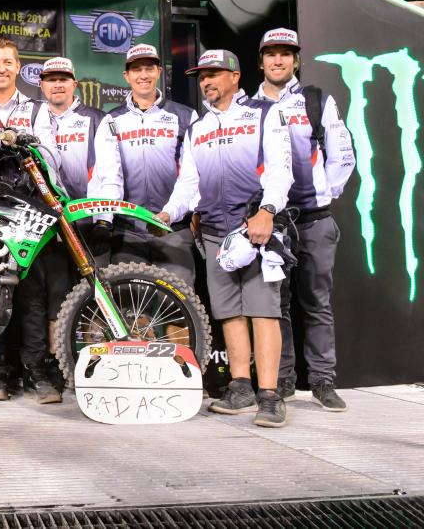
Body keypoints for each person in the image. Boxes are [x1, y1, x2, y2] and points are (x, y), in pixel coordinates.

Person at [158, 49, 294, 428]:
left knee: (263, 310)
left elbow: (281, 171)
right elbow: (188, 183)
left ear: (235, 77)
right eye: (202, 76)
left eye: (214, 74)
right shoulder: (197, 128)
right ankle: (240, 386)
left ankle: (269, 394)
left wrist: (267, 212)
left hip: (255, 230)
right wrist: (169, 213)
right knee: (229, 312)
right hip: (216, 231)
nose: (207, 81)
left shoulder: (264, 115)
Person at [251, 28, 355, 411]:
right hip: (271, 221)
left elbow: (343, 153)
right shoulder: (249, 106)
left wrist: (325, 194)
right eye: (271, 54)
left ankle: (324, 380)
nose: (278, 60)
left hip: (314, 219)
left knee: (317, 302)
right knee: (275, 304)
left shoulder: (315, 99)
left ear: (296, 59)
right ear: (260, 60)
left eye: (285, 54)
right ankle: (282, 379)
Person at [0, 37, 61, 404]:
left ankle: (36, 372)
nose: (2, 68)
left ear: (18, 65)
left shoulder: (38, 109)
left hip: (30, 207)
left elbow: (49, 155)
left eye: (8, 61)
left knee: (31, 295)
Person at [94, 43, 199, 287]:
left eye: (149, 68)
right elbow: (110, 177)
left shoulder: (185, 116)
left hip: (173, 227)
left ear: (159, 72)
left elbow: (192, 176)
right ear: (126, 76)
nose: (143, 75)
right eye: (137, 69)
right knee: (133, 311)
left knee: (178, 310)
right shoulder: (111, 120)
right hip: (128, 230)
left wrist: (169, 214)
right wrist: (105, 220)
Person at [37, 57, 105, 390]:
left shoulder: (95, 118)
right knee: (56, 296)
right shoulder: (36, 119)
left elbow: (108, 170)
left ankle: (94, 364)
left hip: (86, 221)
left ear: (74, 83)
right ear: (42, 85)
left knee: (93, 296)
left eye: (64, 79)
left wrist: (102, 217)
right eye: (51, 79)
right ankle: (57, 364)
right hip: (49, 223)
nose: (57, 85)